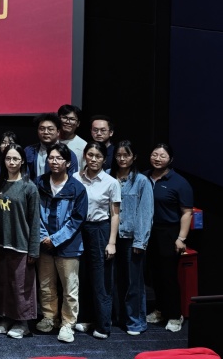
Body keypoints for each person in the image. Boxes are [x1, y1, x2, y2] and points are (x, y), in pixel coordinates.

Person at [36, 144, 88, 343]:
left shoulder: (77, 188)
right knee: (46, 284)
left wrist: (56, 239)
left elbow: (77, 219)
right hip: (44, 243)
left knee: (70, 287)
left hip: (68, 245)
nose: (54, 161)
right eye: (51, 158)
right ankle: (49, 317)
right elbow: (34, 213)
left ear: (67, 163)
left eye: (59, 158)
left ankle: (67, 324)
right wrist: (44, 236)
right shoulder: (40, 182)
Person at [0, 143, 40, 339]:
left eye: (15, 159)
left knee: (21, 287)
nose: (11, 162)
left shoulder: (30, 187)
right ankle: (6, 317)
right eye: (8, 158)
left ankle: (22, 323)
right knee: (3, 284)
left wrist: (33, 250)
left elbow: (34, 221)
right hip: (0, 244)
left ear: (22, 161)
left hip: (21, 245)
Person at [74, 141, 121, 340]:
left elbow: (115, 214)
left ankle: (103, 325)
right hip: (79, 229)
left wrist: (112, 242)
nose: (93, 159)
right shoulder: (75, 177)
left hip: (100, 229)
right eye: (90, 155)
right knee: (82, 276)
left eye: (98, 156)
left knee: (101, 279)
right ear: (85, 155)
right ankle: (85, 318)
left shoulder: (111, 182)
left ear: (104, 159)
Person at [146, 143, 193, 333]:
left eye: (162, 156)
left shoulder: (179, 182)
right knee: (154, 275)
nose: (157, 158)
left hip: (169, 232)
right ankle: (159, 310)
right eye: (154, 154)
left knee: (169, 276)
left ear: (170, 160)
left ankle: (175, 315)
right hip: (148, 232)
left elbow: (187, 212)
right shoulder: (144, 177)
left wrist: (181, 238)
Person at [110, 140, 153, 336]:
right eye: (118, 155)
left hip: (131, 238)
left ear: (133, 157)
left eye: (126, 155)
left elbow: (146, 212)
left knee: (133, 282)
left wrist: (140, 241)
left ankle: (135, 322)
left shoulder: (142, 181)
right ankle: (117, 317)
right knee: (113, 280)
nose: (121, 159)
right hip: (111, 237)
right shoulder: (109, 176)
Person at [26, 114, 68, 181]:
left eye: (50, 129)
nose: (45, 132)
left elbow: (71, 179)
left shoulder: (67, 153)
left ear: (58, 132)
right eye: (42, 129)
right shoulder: (28, 151)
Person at [57, 105, 87, 173]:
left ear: (78, 123)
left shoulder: (83, 145)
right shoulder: (51, 141)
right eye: (64, 118)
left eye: (72, 119)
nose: (68, 122)